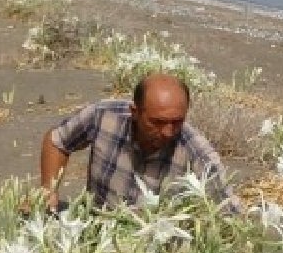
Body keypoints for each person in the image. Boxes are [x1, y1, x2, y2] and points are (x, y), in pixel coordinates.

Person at [39, 72, 235, 212]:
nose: (168, 132)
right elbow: (58, 141)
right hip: (97, 226)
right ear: (135, 112)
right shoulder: (103, 116)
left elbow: (231, 213)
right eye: (157, 122)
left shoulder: (197, 152)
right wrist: (49, 190)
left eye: (177, 122)